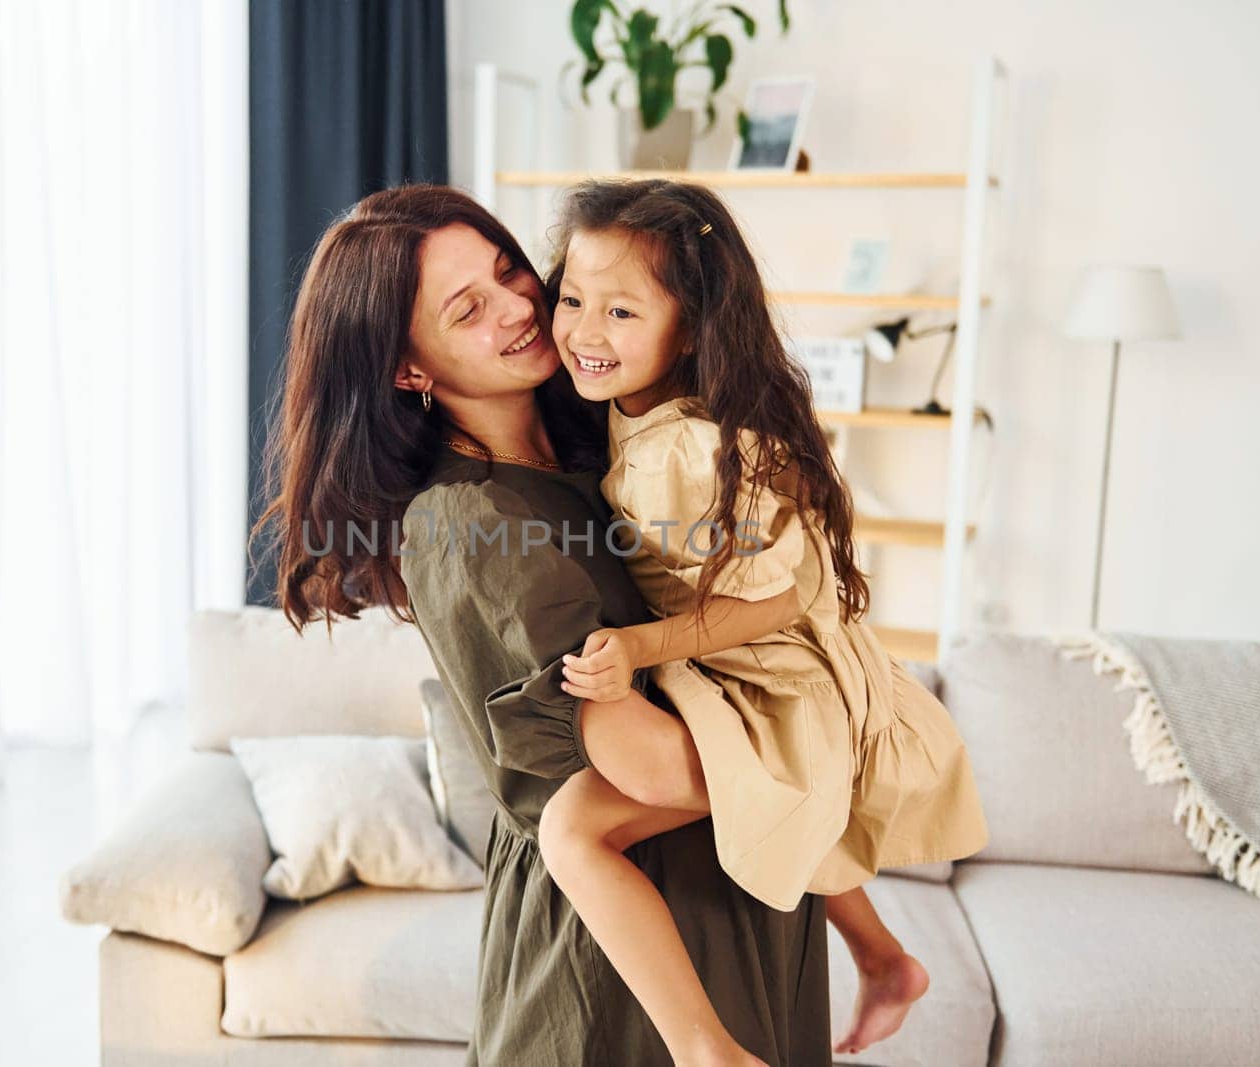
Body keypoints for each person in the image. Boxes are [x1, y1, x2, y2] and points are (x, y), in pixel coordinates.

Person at [256, 183, 834, 1066]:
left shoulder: (603, 439)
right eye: (469, 308)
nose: (521, 307)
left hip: (740, 889)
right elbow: (636, 759)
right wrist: (826, 757)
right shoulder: (469, 521)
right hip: (624, 964)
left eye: (507, 270)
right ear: (410, 370)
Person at [533, 178, 991, 1062]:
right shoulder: (637, 412)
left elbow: (781, 592)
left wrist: (640, 644)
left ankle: (709, 1048)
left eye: (621, 313)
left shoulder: (686, 450)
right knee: (776, 805)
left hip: (773, 670)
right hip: (755, 661)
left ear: (693, 329)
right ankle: (884, 954)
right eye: (573, 298)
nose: (585, 331)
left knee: (573, 829)